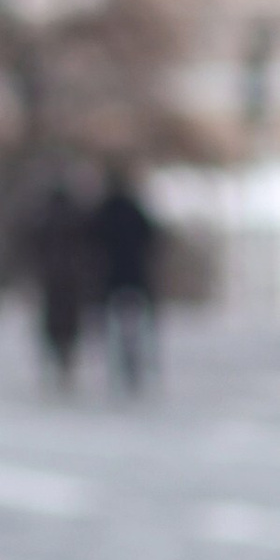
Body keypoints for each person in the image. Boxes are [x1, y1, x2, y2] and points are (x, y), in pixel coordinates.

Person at [88, 165, 162, 394]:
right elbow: (152, 238)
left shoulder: (105, 210)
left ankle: (124, 365)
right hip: (133, 276)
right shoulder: (133, 210)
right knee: (134, 326)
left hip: (113, 277)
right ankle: (132, 364)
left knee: (117, 327)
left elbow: (91, 241)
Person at [25, 175, 90, 390]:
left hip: (53, 277)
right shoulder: (76, 217)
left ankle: (58, 355)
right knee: (67, 320)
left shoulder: (45, 218)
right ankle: (65, 356)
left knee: (54, 319)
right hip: (70, 277)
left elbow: (33, 243)